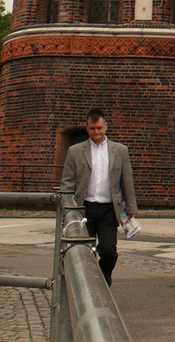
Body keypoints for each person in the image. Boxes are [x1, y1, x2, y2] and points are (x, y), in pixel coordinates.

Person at [59, 107, 137, 286]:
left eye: (99, 128)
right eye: (93, 129)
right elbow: (67, 182)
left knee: (109, 250)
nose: (96, 132)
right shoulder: (75, 151)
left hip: (109, 208)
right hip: (84, 207)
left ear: (106, 127)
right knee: (84, 250)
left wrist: (131, 208)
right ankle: (88, 285)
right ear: (87, 128)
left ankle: (103, 276)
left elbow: (127, 181)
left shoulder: (120, 151)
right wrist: (68, 208)